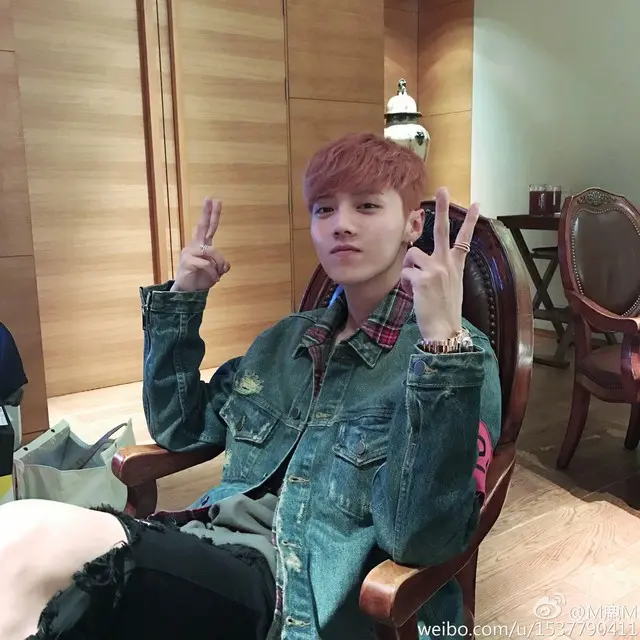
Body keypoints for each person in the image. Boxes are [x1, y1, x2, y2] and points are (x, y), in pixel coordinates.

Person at [0, 132, 501, 640]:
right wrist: (182, 301)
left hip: (289, 594)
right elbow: (180, 428)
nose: (341, 224)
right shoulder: (284, 341)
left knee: (24, 534)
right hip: (203, 545)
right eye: (324, 209)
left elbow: (419, 539)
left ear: (413, 224)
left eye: (367, 206)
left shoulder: (458, 358)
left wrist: (442, 349)